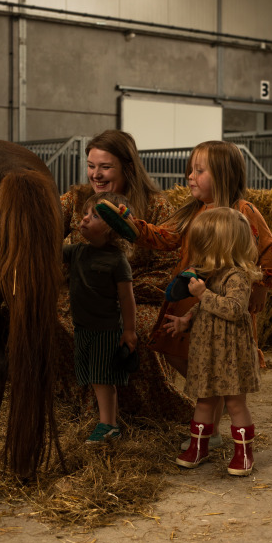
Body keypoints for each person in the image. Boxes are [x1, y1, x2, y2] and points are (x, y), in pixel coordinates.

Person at [104, 140, 272, 447]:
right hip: (191, 296)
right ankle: (209, 410)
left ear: (224, 174)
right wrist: (133, 226)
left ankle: (209, 429)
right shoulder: (191, 212)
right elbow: (163, 237)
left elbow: (267, 247)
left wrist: (263, 285)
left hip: (227, 298)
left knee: (219, 362)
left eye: (200, 170)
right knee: (175, 350)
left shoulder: (243, 211)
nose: (190, 176)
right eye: (190, 170)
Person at [58, 129, 193, 422]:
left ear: (128, 167)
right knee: (57, 322)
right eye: (91, 166)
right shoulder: (75, 199)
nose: (96, 174)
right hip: (80, 296)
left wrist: (124, 293)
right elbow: (44, 235)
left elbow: (170, 266)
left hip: (136, 297)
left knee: (140, 332)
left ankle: (145, 413)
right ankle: (81, 409)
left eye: (105, 167)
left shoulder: (155, 205)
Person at [164, 207, 263, 474]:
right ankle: (199, 447)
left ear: (219, 246)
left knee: (234, 403)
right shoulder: (213, 276)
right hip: (209, 351)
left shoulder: (238, 277)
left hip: (230, 354)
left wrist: (202, 294)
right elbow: (206, 307)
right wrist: (186, 319)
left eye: (203, 246)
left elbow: (232, 309)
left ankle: (244, 453)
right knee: (204, 400)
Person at [63, 192, 137, 443]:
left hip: (106, 330)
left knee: (103, 378)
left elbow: (127, 298)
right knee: (93, 377)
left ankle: (109, 425)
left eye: (94, 215)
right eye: (86, 213)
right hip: (83, 327)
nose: (84, 218)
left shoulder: (117, 260)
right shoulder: (76, 252)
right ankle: (106, 422)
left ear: (112, 229)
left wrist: (129, 330)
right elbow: (50, 250)